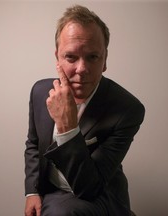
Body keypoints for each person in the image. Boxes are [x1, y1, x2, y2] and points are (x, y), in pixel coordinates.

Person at [24, 5, 145, 216]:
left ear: (105, 59)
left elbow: (90, 188)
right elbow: (34, 145)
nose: (81, 69)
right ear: (58, 57)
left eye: (93, 57)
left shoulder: (128, 109)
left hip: (100, 193)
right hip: (54, 191)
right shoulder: (40, 91)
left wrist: (67, 126)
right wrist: (32, 192)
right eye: (71, 57)